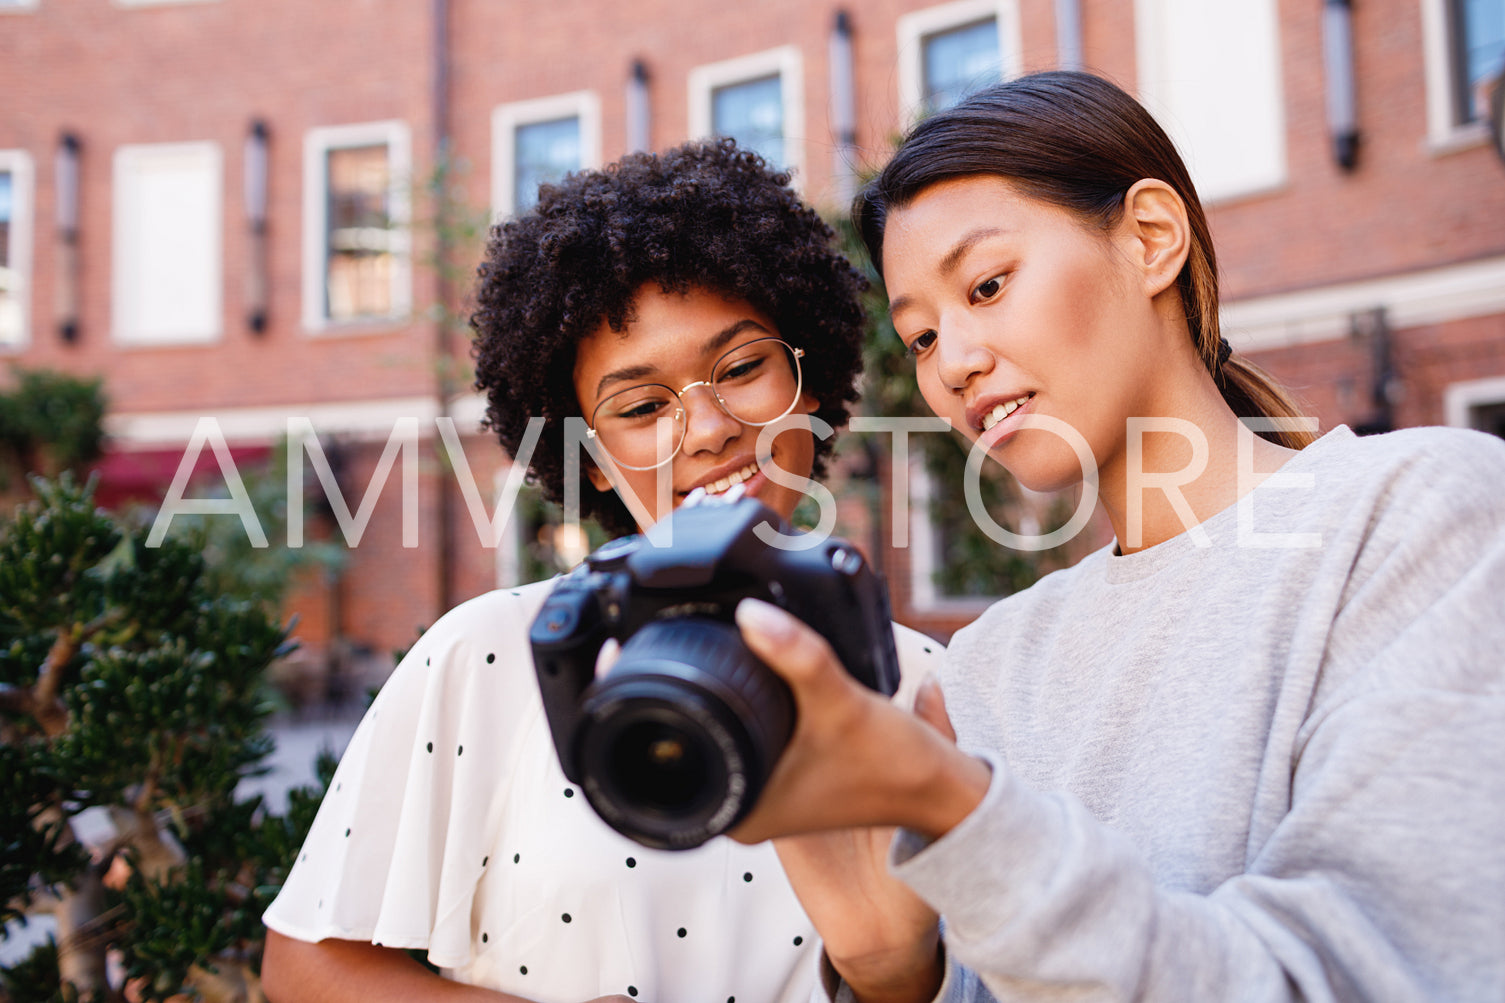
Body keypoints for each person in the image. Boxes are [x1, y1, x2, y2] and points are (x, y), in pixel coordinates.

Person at [727, 71, 1505, 1003]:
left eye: (986, 284)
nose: (957, 364)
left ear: (1149, 238)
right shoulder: (988, 668)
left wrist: (965, 819)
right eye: (922, 338)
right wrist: (894, 971)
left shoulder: (1413, 518)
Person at [259, 139, 944, 1003]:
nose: (706, 429)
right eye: (641, 406)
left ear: (806, 379)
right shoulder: (490, 653)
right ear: (587, 452)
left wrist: (893, 969)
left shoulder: (930, 686)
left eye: (740, 368)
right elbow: (305, 965)